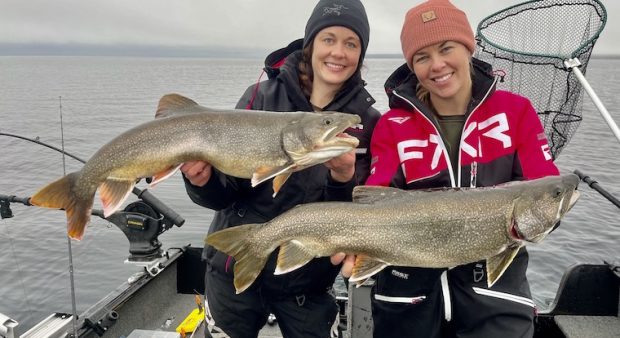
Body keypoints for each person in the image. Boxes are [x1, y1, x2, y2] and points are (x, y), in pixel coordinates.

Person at [180, 1, 380, 337]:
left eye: (351, 43)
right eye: (328, 39)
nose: (339, 52)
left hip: (308, 284)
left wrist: (342, 178)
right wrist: (203, 181)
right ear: (311, 44)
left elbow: (356, 217)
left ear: (361, 54)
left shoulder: (365, 122)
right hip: (233, 269)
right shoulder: (260, 96)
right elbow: (224, 194)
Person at [364, 0, 560, 337]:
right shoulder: (392, 124)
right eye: (422, 57)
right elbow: (375, 200)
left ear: (468, 48)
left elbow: (543, 192)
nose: (437, 65)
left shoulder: (516, 112)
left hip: (496, 295)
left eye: (446, 48)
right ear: (412, 66)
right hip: (406, 296)